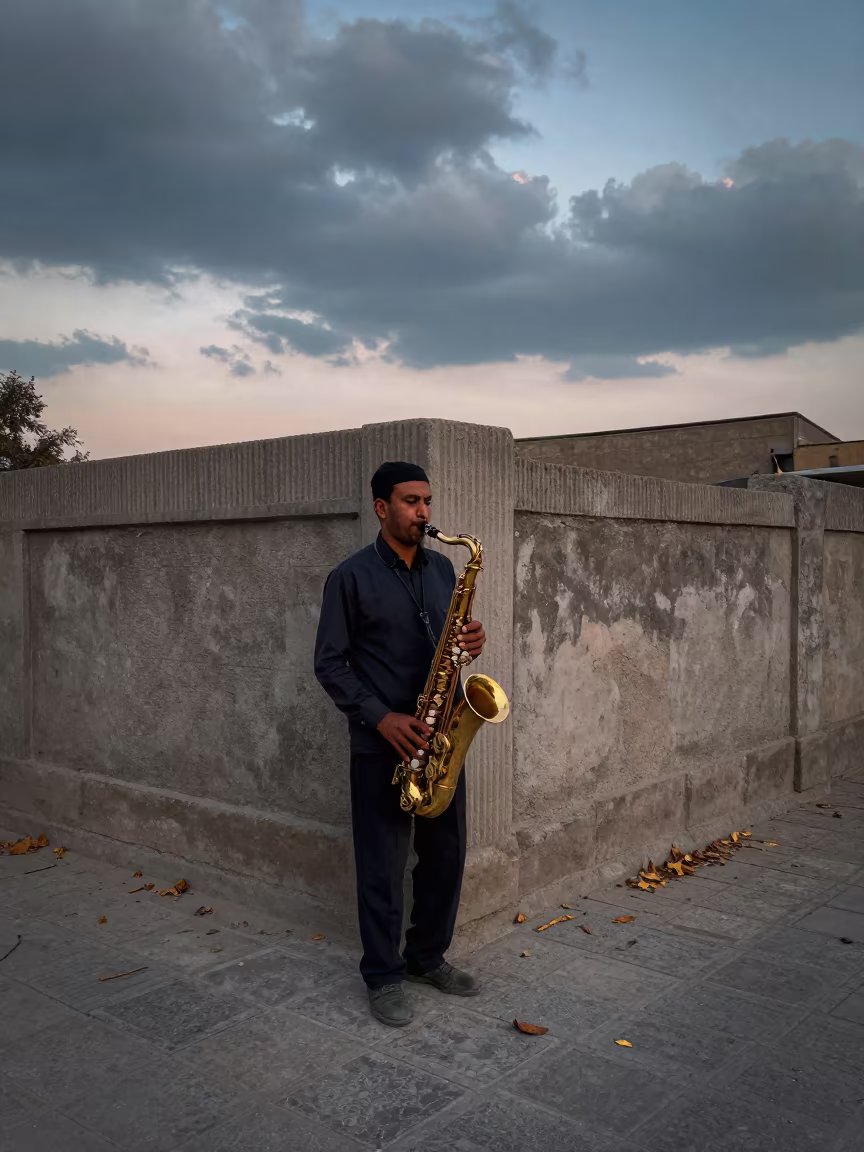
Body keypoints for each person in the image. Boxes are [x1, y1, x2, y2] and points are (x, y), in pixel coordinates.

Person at [314, 461, 486, 1027]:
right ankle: (383, 976)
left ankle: (426, 957)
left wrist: (470, 643)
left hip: (440, 737)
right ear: (382, 508)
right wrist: (380, 717)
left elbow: (450, 646)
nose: (424, 513)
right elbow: (329, 664)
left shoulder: (443, 569)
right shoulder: (350, 577)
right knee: (383, 865)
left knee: (445, 855)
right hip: (382, 742)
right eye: (411, 501)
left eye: (428, 501)